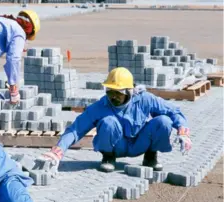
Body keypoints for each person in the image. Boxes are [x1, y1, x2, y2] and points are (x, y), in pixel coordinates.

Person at [40, 67, 192, 173]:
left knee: (164, 121)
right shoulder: (102, 105)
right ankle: (108, 158)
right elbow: (76, 129)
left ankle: (151, 156)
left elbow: (174, 111)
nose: (113, 97)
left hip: (141, 144)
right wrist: (59, 150)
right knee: (108, 122)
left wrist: (183, 131)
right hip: (116, 146)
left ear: (129, 91)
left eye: (118, 93)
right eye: (110, 92)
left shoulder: (145, 99)